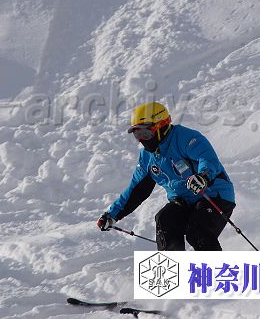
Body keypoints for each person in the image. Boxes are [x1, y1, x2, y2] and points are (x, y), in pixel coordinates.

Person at [97, 101, 236, 251]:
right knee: (165, 219)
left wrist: (203, 176)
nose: (142, 140)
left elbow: (207, 158)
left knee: (197, 231)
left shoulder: (185, 138)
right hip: (184, 201)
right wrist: (112, 215)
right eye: (138, 135)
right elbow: (136, 190)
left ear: (161, 127)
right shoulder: (147, 157)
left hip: (213, 195)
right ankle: (172, 264)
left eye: (146, 134)